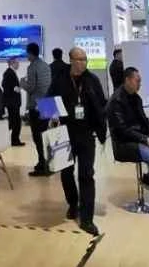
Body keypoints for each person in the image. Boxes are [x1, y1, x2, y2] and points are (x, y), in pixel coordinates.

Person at [49, 47, 108, 236]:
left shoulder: (92, 80)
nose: (83, 63)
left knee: (86, 174)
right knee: (66, 172)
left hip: (86, 133)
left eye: (85, 59)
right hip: (64, 132)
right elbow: (48, 102)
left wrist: (101, 128)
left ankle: (87, 218)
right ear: (71, 60)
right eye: (79, 59)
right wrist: (53, 117)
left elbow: (102, 104)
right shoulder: (60, 79)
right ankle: (73, 203)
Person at [107, 67, 149, 216]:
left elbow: (144, 120)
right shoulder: (116, 101)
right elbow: (122, 130)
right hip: (124, 144)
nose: (140, 84)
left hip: (139, 140)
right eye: (138, 81)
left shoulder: (136, 98)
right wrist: (144, 139)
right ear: (127, 80)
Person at [23, 42, 52, 176]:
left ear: (30, 53)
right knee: (46, 135)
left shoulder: (32, 67)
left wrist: (22, 83)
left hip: (37, 105)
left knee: (37, 136)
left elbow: (31, 88)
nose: (26, 56)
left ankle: (42, 165)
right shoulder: (46, 65)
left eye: (27, 53)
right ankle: (48, 162)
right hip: (49, 103)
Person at [2, 58, 25, 147]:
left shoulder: (11, 72)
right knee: (16, 122)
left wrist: (17, 87)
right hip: (12, 103)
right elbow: (5, 85)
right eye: (17, 62)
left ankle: (14, 140)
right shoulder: (8, 73)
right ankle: (15, 140)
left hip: (13, 102)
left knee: (14, 122)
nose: (18, 64)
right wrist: (15, 88)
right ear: (12, 63)